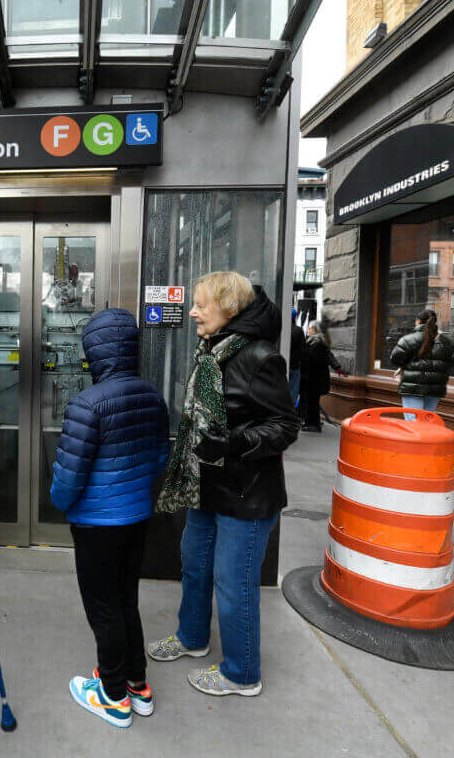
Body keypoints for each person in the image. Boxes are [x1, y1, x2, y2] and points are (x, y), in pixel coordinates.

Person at [148, 272, 298, 698]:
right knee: (195, 565)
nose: (193, 312)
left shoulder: (260, 357)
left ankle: (241, 673)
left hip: (247, 495)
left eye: (201, 305)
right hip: (209, 485)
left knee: (234, 585)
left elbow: (286, 426)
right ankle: (192, 638)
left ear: (229, 308)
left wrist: (236, 441)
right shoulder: (212, 348)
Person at [49, 308, 169, 729]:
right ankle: (137, 685)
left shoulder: (87, 404)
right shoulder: (152, 395)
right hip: (137, 517)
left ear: (95, 353)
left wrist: (61, 502)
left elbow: (68, 476)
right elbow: (159, 459)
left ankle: (113, 696)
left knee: (103, 608)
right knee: (126, 601)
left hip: (97, 525)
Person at [390, 309, 454, 420]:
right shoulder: (447, 342)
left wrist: (409, 366)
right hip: (436, 386)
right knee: (427, 420)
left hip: (412, 386)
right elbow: (452, 361)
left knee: (413, 421)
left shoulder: (409, 339)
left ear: (418, 321)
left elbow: (395, 358)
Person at [300, 322, 342, 433]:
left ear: (315, 330)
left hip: (315, 379)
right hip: (312, 379)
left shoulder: (318, 345)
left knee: (313, 402)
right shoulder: (314, 342)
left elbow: (317, 363)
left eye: (309, 328)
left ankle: (314, 425)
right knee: (310, 401)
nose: (308, 330)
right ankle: (309, 422)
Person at [288, 309, 306, 408]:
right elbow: (303, 350)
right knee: (293, 392)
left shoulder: (281, 328)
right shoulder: (298, 330)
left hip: (282, 366)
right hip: (294, 366)